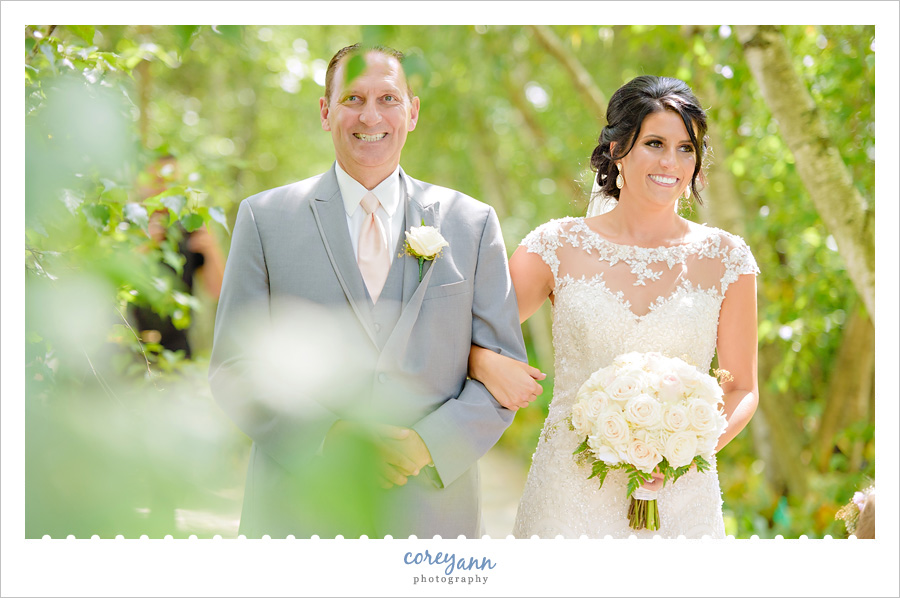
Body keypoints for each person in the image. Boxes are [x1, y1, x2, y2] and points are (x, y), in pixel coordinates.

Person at [208, 44, 531, 539]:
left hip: (432, 513)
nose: (371, 115)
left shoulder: (472, 222)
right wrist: (332, 437)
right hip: (299, 508)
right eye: (353, 99)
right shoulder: (263, 219)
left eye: (388, 98)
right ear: (325, 111)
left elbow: (502, 375)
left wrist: (426, 445)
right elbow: (235, 369)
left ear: (413, 111)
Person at [468, 75, 760, 538]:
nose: (672, 161)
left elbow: (742, 386)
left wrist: (685, 451)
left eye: (687, 148)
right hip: (568, 494)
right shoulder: (555, 245)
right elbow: (468, 331)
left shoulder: (727, 259)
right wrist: (483, 361)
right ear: (618, 148)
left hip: (681, 498)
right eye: (656, 143)